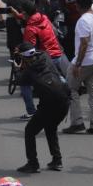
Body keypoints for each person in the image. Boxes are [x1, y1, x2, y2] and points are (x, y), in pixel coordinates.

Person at [14, 42, 70, 173]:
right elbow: (34, 54)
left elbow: (19, 81)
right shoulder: (45, 56)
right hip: (64, 101)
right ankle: (57, 160)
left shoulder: (29, 72)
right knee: (50, 127)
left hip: (49, 105)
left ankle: (33, 163)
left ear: (23, 58)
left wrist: (17, 67)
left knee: (30, 131)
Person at [63, 0, 93, 135]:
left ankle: (77, 122)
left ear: (78, 5)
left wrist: (77, 64)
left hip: (85, 61)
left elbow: (84, 44)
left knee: (70, 89)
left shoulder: (83, 21)